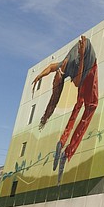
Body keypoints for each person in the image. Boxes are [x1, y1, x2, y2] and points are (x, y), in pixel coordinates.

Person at [32, 35, 98, 184]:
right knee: (91, 106)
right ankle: (67, 152)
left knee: (79, 103)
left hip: (86, 64)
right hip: (89, 69)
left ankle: (62, 142)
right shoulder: (68, 68)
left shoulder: (63, 66)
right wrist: (81, 57)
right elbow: (77, 82)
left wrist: (40, 75)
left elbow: (50, 67)